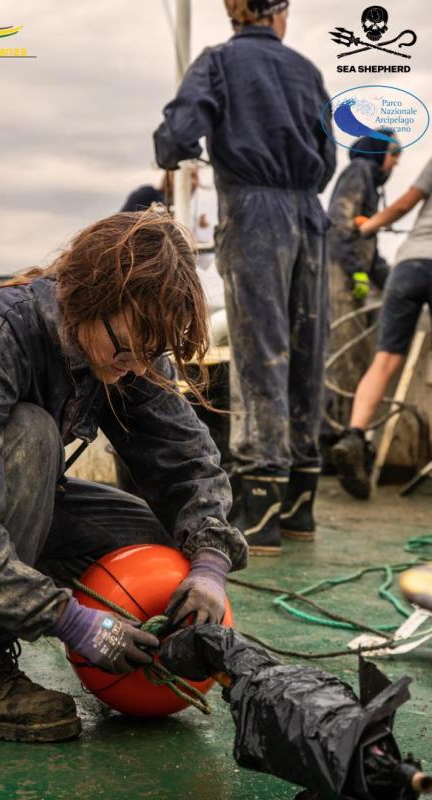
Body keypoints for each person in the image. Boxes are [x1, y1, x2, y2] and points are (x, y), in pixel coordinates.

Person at [0, 210, 247, 742]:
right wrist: (71, 620)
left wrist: (209, 563)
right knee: (31, 433)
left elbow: (183, 458)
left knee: (146, 540)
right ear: (85, 297)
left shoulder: (122, 345)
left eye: (149, 354)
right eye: (126, 349)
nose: (135, 366)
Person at [154, 0, 336, 555]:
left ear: (235, 12)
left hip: (254, 212)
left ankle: (261, 516)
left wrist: (193, 152)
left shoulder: (217, 62)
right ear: (279, 12)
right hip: (310, 214)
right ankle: (301, 505)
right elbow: (327, 157)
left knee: (262, 354)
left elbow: (176, 137)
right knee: (307, 353)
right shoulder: (307, 70)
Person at [332, 157, 432, 499]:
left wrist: (367, 227)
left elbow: (406, 202)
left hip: (409, 265)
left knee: (386, 357)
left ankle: (354, 435)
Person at [326, 132, 400, 430]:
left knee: (356, 359)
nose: (396, 162)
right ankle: (333, 437)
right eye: (394, 153)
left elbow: (368, 248)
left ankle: (344, 433)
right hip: (339, 279)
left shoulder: (369, 181)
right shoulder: (361, 171)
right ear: (379, 150)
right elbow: (339, 224)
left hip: (351, 276)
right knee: (344, 359)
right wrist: (356, 270)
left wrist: (394, 281)